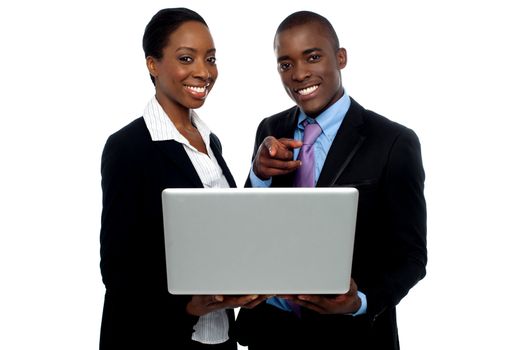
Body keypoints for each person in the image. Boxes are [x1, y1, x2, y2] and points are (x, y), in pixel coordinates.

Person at [235, 11, 427, 349]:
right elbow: (249, 229)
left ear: (340, 58)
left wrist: (359, 302)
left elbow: (411, 257)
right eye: (285, 64)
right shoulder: (270, 130)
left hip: (351, 336)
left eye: (312, 56)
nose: (299, 74)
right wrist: (259, 174)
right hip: (271, 333)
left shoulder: (393, 141)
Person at [99, 8, 264, 349]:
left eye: (211, 58)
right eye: (187, 58)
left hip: (218, 337)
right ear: (152, 65)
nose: (204, 72)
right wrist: (188, 304)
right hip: (156, 338)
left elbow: (223, 234)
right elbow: (117, 270)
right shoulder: (129, 147)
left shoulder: (209, 142)